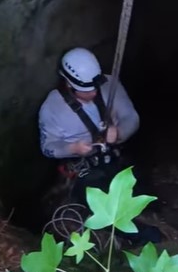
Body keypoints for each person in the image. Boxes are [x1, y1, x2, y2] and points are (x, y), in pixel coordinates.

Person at [37, 47, 160, 247]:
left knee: (145, 195)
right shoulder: (52, 108)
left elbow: (131, 117)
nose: (93, 92)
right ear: (68, 84)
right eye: (86, 91)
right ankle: (139, 238)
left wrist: (119, 132)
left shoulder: (109, 85)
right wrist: (72, 148)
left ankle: (151, 221)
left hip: (115, 157)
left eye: (95, 87)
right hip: (85, 170)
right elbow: (48, 146)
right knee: (101, 205)